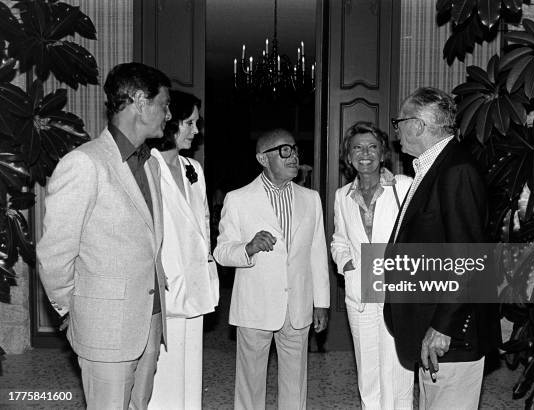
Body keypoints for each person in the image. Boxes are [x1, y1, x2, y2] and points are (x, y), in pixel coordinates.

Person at [37, 62, 171, 409]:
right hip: (106, 328)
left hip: (150, 320)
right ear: (140, 102)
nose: (168, 114)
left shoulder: (151, 165)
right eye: (163, 104)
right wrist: (71, 312)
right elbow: (55, 254)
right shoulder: (84, 163)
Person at [384, 87, 500, 409]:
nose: (397, 130)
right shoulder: (432, 167)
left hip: (451, 334)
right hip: (430, 327)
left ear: (418, 125)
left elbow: (469, 257)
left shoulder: (456, 170)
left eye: (400, 122)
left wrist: (442, 327)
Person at [213, 129, 330, 410]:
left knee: (295, 383)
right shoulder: (238, 199)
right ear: (263, 159)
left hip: (298, 305)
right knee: (250, 385)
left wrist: (321, 302)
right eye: (284, 150)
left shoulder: (310, 198)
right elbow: (221, 252)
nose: (294, 156)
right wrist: (249, 248)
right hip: (255, 307)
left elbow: (317, 253)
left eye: (295, 149)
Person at [331, 121, 414, 409]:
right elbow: (339, 241)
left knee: (396, 369)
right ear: (348, 156)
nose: (364, 154)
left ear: (382, 154)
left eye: (372, 147)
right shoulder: (342, 196)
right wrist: (348, 265)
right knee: (367, 371)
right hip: (359, 290)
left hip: (395, 285)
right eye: (357, 148)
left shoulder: (403, 188)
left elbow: (417, 235)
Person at [148, 90, 219, 410]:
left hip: (195, 281)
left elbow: (203, 223)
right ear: (169, 122)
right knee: (165, 371)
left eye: (197, 123)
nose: (196, 130)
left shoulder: (194, 168)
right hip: (164, 284)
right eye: (189, 123)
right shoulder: (146, 166)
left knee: (191, 368)